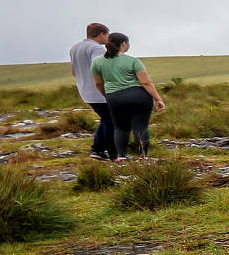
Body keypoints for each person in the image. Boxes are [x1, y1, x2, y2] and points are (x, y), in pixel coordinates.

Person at [91, 33, 164, 160]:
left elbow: (98, 83)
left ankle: (121, 157)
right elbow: (146, 82)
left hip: (115, 97)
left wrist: (108, 96)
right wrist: (158, 99)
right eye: (128, 42)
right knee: (140, 126)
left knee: (120, 127)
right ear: (124, 43)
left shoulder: (97, 62)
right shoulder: (133, 61)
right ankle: (143, 156)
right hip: (139, 96)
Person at [69, 22, 112, 159]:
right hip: (100, 92)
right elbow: (99, 68)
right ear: (101, 34)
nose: (108, 39)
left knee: (107, 119)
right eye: (107, 35)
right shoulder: (97, 49)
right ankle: (113, 153)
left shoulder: (75, 48)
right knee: (112, 121)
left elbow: (73, 72)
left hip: (85, 91)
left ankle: (98, 149)